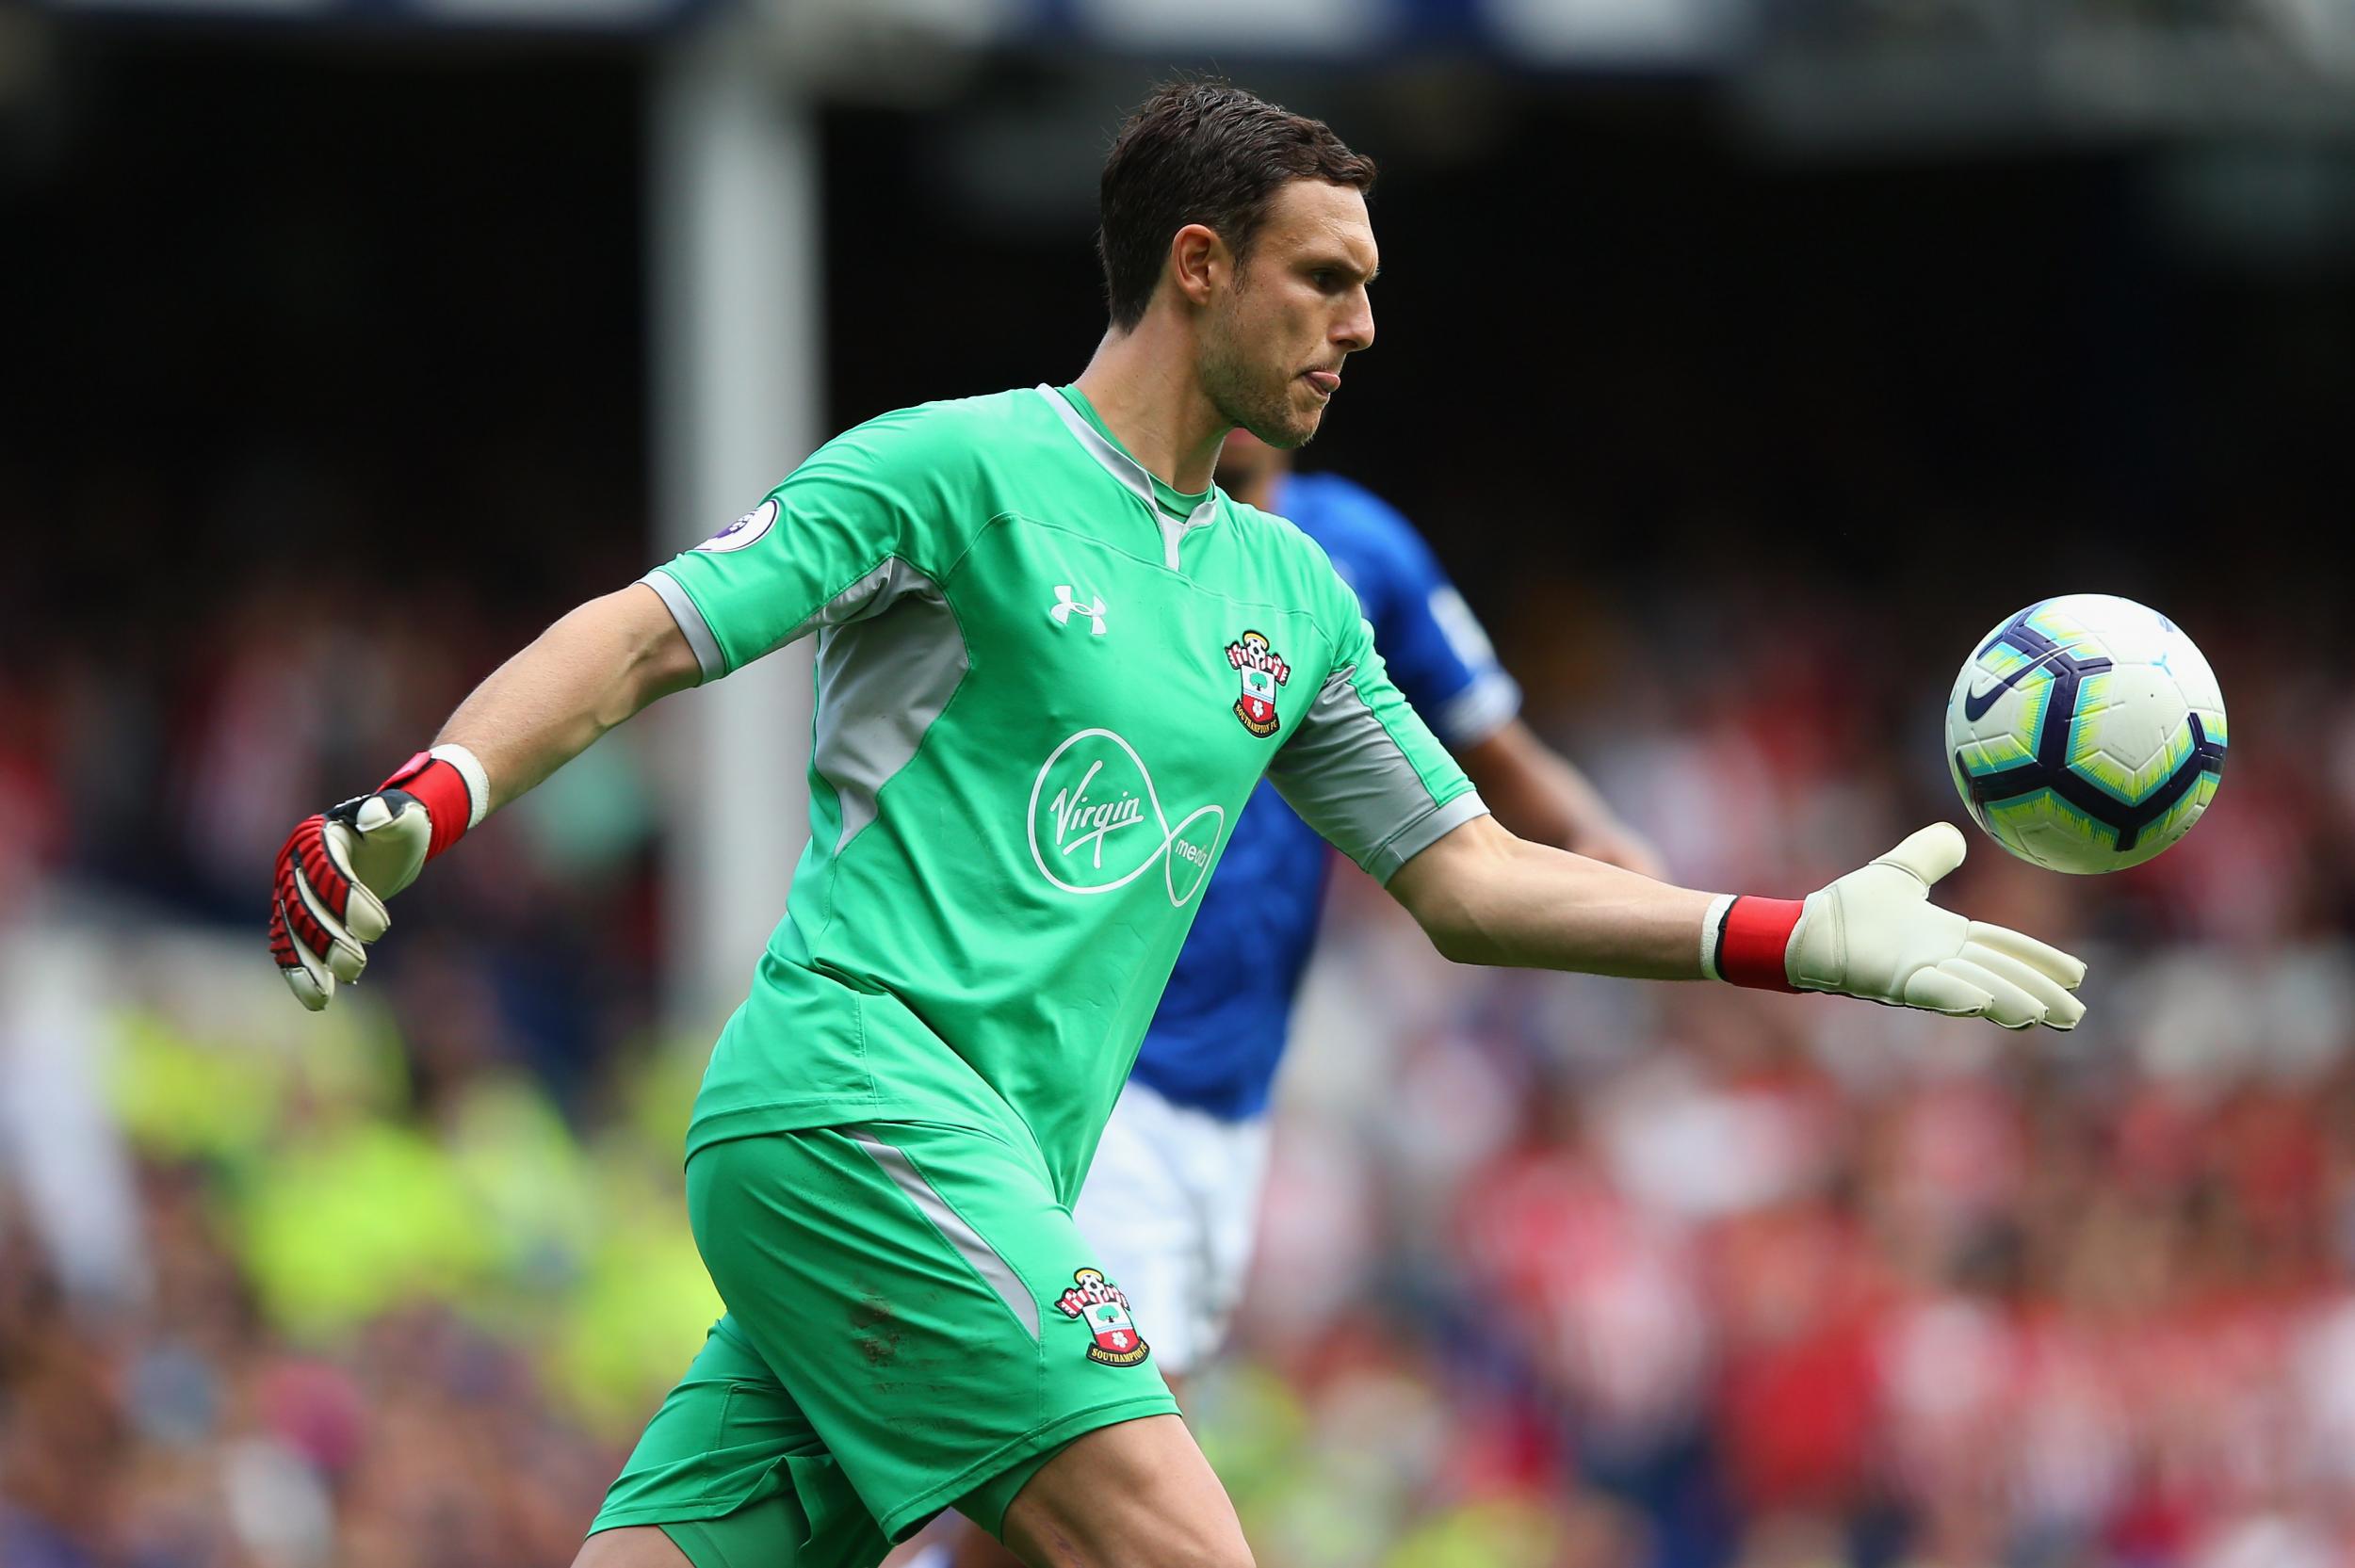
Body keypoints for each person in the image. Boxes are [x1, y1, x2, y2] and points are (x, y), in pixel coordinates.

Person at [268, 80, 2087, 1568]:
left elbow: (1462, 879)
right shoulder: (957, 469)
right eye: (1326, 279)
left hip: (958, 1168)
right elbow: (651, 635)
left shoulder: (1292, 596)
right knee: (1178, 1544)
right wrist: (428, 796)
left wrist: (1788, 934)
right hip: (857, 1102)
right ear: (1199, 267)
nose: (1364, 327)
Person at [919, 432, 1664, 1568]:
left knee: (1045, 1515)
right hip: (1083, 1078)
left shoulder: (1356, 550)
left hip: (1230, 1093)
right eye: (1309, 287)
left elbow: (1496, 756)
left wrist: (1608, 849)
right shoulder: (1082, 532)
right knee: (1117, 1481)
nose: (1336, 330)